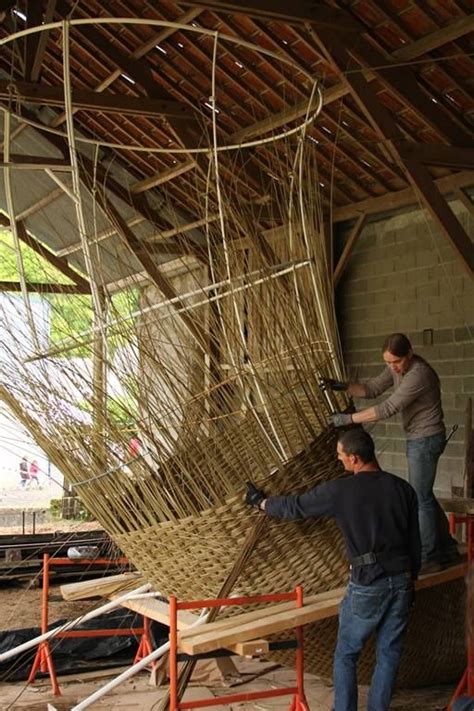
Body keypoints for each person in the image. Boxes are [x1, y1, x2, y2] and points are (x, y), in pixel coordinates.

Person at [246, 429, 421, 711]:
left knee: (346, 654)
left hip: (368, 582)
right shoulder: (403, 488)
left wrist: (262, 503)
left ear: (353, 458)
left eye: (341, 457)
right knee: (389, 654)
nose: (339, 462)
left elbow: (297, 507)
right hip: (402, 580)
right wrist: (412, 580)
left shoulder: (341, 491)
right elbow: (415, 540)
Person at [325, 332, 459, 572]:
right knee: (424, 495)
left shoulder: (419, 374)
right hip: (417, 438)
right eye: (387, 362)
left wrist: (348, 419)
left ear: (409, 353)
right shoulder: (398, 368)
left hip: (426, 439)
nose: (392, 367)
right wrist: (343, 387)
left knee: (421, 498)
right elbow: (372, 389)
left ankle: (429, 556)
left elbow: (387, 408)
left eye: (396, 362)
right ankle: (446, 548)